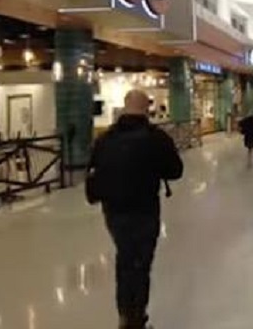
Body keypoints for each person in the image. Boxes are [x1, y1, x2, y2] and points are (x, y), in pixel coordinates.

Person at [89, 90, 184, 329]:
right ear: (147, 108)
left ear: (124, 106)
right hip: (145, 209)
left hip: (113, 210)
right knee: (141, 265)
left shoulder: (105, 138)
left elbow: (93, 170)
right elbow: (175, 170)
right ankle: (136, 318)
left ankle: (124, 315)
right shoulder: (156, 138)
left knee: (124, 259)